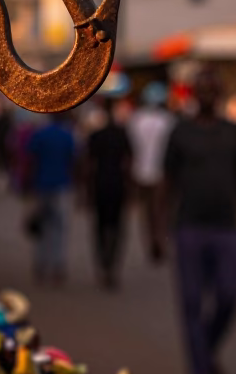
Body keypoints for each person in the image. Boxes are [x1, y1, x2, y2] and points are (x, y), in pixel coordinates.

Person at [164, 69, 236, 374]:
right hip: (189, 226)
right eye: (200, 90)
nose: (205, 96)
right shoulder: (180, 132)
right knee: (191, 302)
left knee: (230, 295)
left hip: (226, 227)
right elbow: (167, 183)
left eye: (211, 90)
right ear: (193, 95)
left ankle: (207, 350)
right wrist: (158, 230)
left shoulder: (233, 133)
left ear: (219, 95)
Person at [86, 99, 133, 289]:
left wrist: (86, 191)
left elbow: (87, 165)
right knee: (116, 228)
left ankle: (104, 263)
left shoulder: (97, 135)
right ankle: (111, 265)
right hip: (117, 185)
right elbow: (128, 163)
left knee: (100, 227)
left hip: (100, 185)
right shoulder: (122, 135)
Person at [127, 82, 174, 264]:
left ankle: (151, 244)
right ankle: (160, 242)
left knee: (146, 213)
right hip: (161, 173)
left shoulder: (136, 119)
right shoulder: (168, 120)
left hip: (140, 173)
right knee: (161, 211)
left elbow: (132, 148)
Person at [26, 113, 76, 285]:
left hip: (42, 184)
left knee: (42, 229)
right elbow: (74, 160)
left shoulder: (40, 134)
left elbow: (30, 159)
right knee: (59, 229)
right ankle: (57, 265)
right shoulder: (67, 135)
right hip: (61, 185)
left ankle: (41, 264)